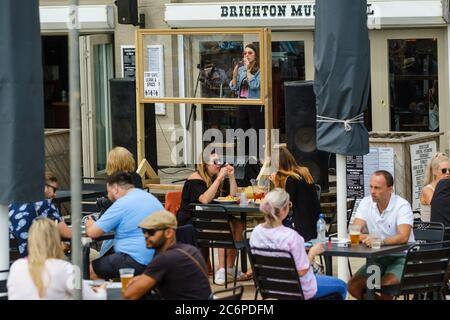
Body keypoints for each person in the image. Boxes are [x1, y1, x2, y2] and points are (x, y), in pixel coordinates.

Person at [249, 188, 347, 300]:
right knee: (342, 286)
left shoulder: (255, 232)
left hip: (270, 286)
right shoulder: (291, 236)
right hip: (298, 288)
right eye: (288, 205)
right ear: (283, 210)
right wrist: (312, 253)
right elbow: (301, 271)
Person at [178, 152, 249, 285]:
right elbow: (204, 200)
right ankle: (221, 268)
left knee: (239, 224)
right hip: (193, 220)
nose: (218, 165)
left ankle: (230, 267)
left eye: (219, 161)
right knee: (222, 223)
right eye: (214, 162)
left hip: (210, 215)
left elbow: (233, 196)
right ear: (204, 164)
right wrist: (219, 178)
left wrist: (232, 177)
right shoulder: (195, 179)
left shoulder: (215, 177)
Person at [347, 170, 415, 300]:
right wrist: (367, 238)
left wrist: (380, 241)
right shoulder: (366, 202)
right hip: (377, 258)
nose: (372, 191)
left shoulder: (402, 206)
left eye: (377, 188)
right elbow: (354, 231)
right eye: (371, 187)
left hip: (401, 257)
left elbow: (403, 236)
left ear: (390, 189)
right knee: (353, 286)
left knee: (385, 286)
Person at [85, 171, 164, 280]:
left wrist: (90, 224)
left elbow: (93, 232)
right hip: (159, 257)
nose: (108, 196)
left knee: (88, 271)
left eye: (109, 191)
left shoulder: (121, 204)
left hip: (136, 258)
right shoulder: (149, 197)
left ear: (115, 188)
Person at [7, 218, 106, 300]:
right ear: (56, 239)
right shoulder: (64, 268)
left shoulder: (16, 267)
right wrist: (102, 290)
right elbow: (94, 298)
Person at [123, 210, 212, 300]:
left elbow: (129, 295)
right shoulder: (190, 249)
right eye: (144, 231)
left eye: (151, 232)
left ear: (168, 233)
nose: (146, 236)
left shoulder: (165, 259)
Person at [9, 172, 72, 257]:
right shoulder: (45, 204)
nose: (55, 194)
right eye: (54, 189)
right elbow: (68, 234)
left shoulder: (11, 203)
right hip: (35, 261)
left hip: (9, 263)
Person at [269, 145, 320, 241]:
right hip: (314, 223)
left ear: (278, 164)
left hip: (301, 227)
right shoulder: (304, 172)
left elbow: (284, 204)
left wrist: (276, 184)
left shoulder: (291, 179)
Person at [229, 43, 263, 157]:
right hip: (242, 102)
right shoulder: (241, 69)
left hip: (254, 103)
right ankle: (245, 157)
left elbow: (255, 85)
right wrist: (234, 75)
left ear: (256, 55)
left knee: (255, 131)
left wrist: (248, 71)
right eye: (245, 53)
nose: (247, 55)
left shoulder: (260, 70)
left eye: (250, 53)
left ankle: (257, 157)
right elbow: (233, 87)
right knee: (242, 130)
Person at [420, 152, 450, 222]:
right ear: (434, 171)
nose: (448, 173)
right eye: (444, 170)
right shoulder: (427, 190)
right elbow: (440, 208)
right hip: (429, 228)